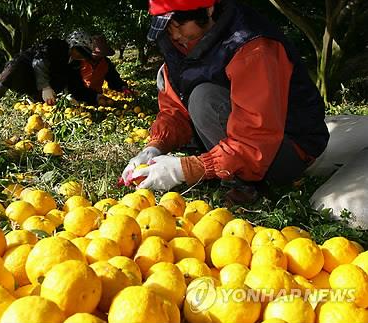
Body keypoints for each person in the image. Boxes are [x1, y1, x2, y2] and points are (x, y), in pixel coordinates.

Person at [121, 0, 330, 204]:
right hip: (238, 139)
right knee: (198, 99)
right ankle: (231, 170)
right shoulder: (175, 45)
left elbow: (256, 136)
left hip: (285, 146)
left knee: (204, 99)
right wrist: (155, 146)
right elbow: (175, 108)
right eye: (166, 26)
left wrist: (188, 169)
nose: (174, 35)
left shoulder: (252, 46)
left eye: (180, 24)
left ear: (209, 9)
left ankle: (248, 184)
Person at [0, 31, 110, 106]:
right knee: (14, 66)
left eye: (83, 53)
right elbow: (39, 62)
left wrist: (95, 96)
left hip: (39, 86)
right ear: (72, 45)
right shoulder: (55, 46)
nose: (80, 55)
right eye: (79, 50)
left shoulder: (74, 64)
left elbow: (77, 86)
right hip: (26, 72)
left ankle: (32, 98)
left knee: (59, 83)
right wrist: (45, 87)